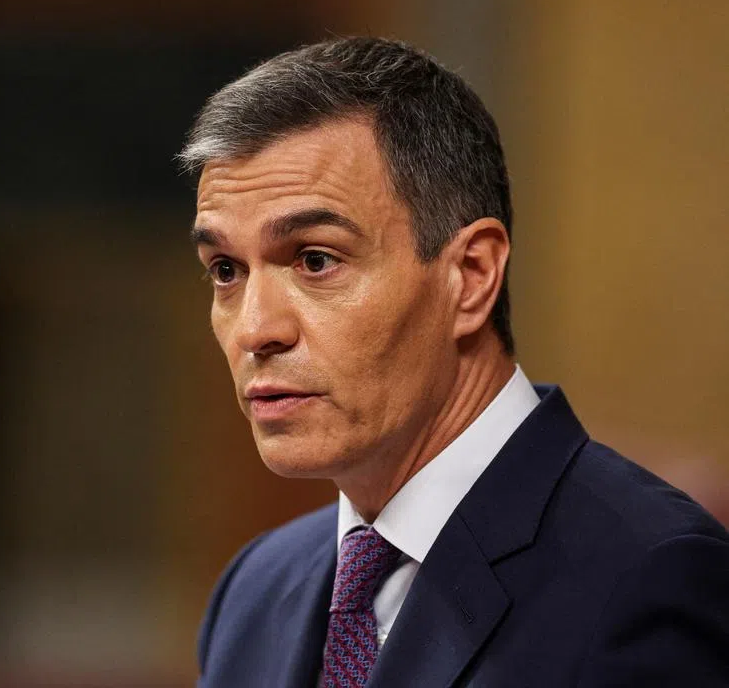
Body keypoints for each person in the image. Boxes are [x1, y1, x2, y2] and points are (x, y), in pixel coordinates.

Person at [179, 37, 729, 688]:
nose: (254, 329)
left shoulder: (650, 574)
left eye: (316, 260)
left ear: (470, 275)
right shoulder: (255, 589)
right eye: (225, 270)